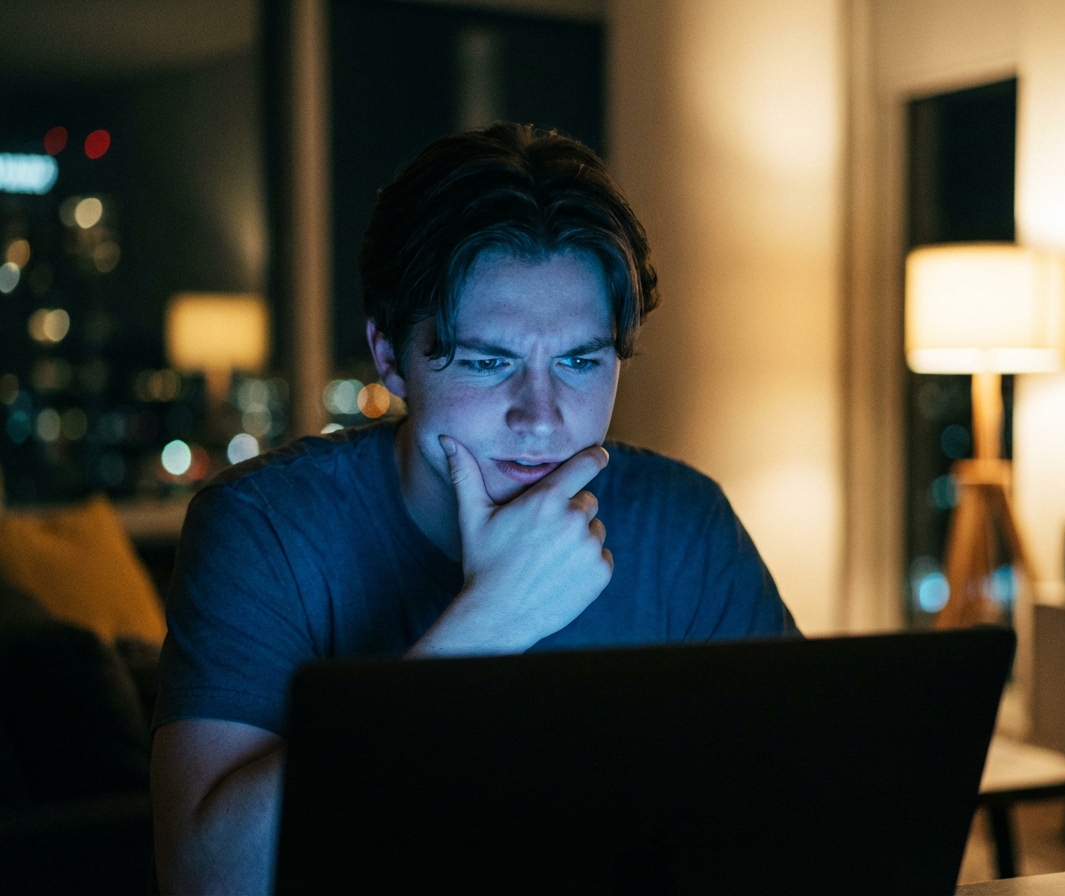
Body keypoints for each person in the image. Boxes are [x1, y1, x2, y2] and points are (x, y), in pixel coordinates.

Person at [150, 122, 797, 894]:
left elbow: (812, 821)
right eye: (490, 362)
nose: (541, 415)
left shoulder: (685, 522)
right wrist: (486, 626)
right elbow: (208, 881)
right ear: (390, 355)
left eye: (581, 362)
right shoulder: (262, 525)